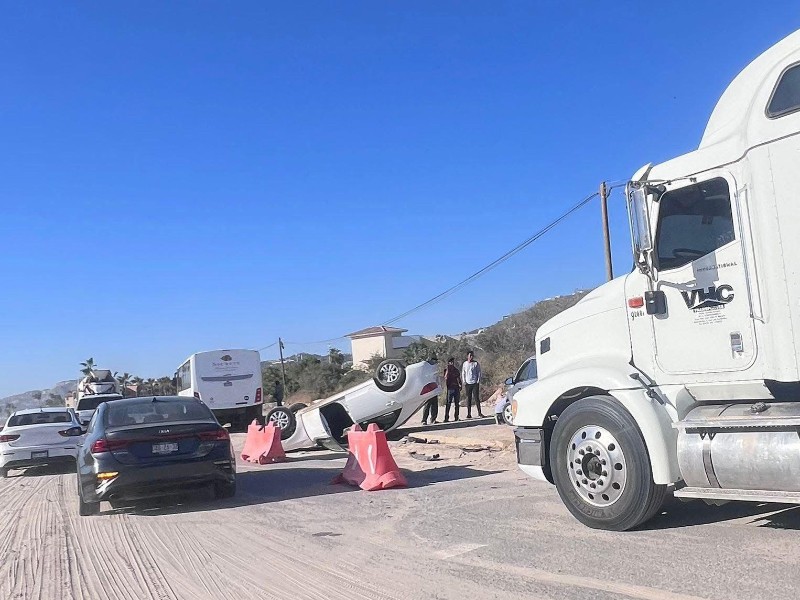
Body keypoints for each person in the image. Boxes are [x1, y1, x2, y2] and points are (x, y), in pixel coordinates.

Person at [461, 351, 485, 418]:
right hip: (468, 383)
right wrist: (464, 381)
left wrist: (478, 381)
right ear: (467, 356)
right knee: (468, 399)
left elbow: (479, 372)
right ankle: (469, 414)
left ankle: (479, 413)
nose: (471, 357)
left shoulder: (476, 363)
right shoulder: (465, 364)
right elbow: (463, 372)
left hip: (474, 383)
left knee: (476, 398)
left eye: (472, 355)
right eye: (470, 355)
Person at [442, 357, 462, 422]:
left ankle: (456, 417)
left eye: (453, 362)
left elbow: (458, 378)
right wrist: (448, 369)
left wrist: (460, 384)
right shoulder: (446, 370)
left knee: (457, 403)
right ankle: (446, 417)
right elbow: (445, 378)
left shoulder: (456, 370)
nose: (452, 363)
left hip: (456, 387)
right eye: (451, 362)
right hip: (450, 388)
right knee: (448, 403)